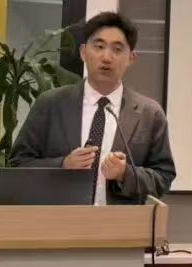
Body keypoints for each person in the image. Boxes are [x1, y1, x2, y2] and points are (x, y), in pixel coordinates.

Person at [9, 11, 175, 204]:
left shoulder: (149, 114)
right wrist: (62, 165)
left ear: (131, 58)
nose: (106, 57)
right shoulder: (50, 104)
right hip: (60, 218)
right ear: (83, 52)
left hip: (120, 221)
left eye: (117, 49)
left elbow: (164, 177)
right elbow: (17, 164)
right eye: (99, 46)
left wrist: (125, 174)